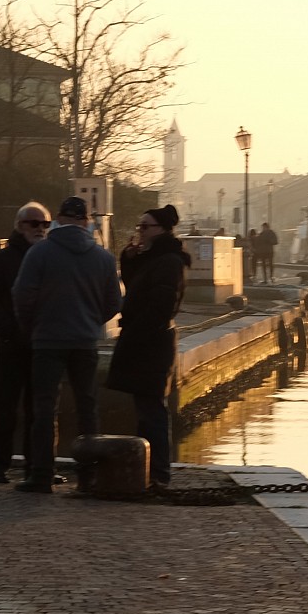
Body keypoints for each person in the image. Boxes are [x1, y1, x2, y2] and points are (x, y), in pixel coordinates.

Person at [10, 195, 120, 493]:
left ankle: (42, 474)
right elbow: (114, 302)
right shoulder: (103, 258)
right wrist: (91, 320)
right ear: (86, 221)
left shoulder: (39, 252)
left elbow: (22, 295)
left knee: (45, 408)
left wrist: (33, 325)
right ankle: (89, 475)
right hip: (85, 341)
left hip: (47, 340)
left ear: (59, 218)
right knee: (87, 407)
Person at [109, 204, 191, 484]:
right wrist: (129, 259)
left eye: (145, 226)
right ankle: (150, 472)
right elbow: (135, 286)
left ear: (161, 230)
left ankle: (158, 474)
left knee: (153, 410)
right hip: (147, 340)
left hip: (152, 343)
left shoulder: (168, 261)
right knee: (146, 409)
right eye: (139, 226)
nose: (140, 231)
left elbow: (161, 306)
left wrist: (135, 332)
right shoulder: (155, 258)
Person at [0, 201, 49, 483]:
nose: (40, 229)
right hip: (12, 344)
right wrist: (9, 330)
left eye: (45, 224)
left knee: (40, 410)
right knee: (6, 407)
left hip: (43, 345)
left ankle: (37, 466)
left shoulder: (50, 258)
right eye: (34, 223)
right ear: (19, 226)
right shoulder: (3, 259)